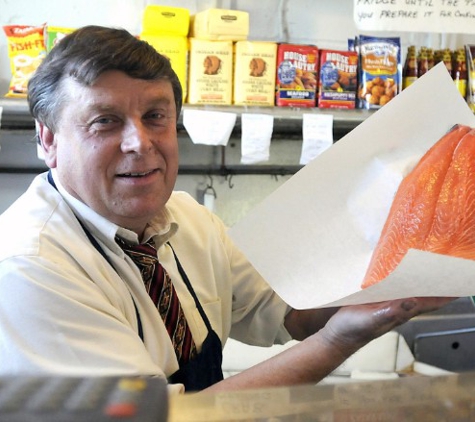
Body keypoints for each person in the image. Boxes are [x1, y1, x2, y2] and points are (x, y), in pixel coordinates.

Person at [0, 25, 453, 394]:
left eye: (156, 116)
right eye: (105, 121)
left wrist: (401, 284)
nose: (141, 143)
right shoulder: (30, 267)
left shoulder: (188, 221)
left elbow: (293, 312)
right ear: (48, 140)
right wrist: (341, 338)